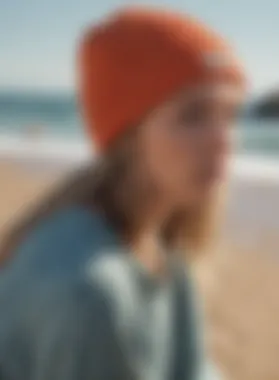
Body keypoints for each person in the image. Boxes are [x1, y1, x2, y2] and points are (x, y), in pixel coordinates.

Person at [0, 6, 246, 380]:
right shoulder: (87, 292)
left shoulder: (161, 248)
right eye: (193, 115)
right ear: (128, 137)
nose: (223, 141)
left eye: (231, 115)